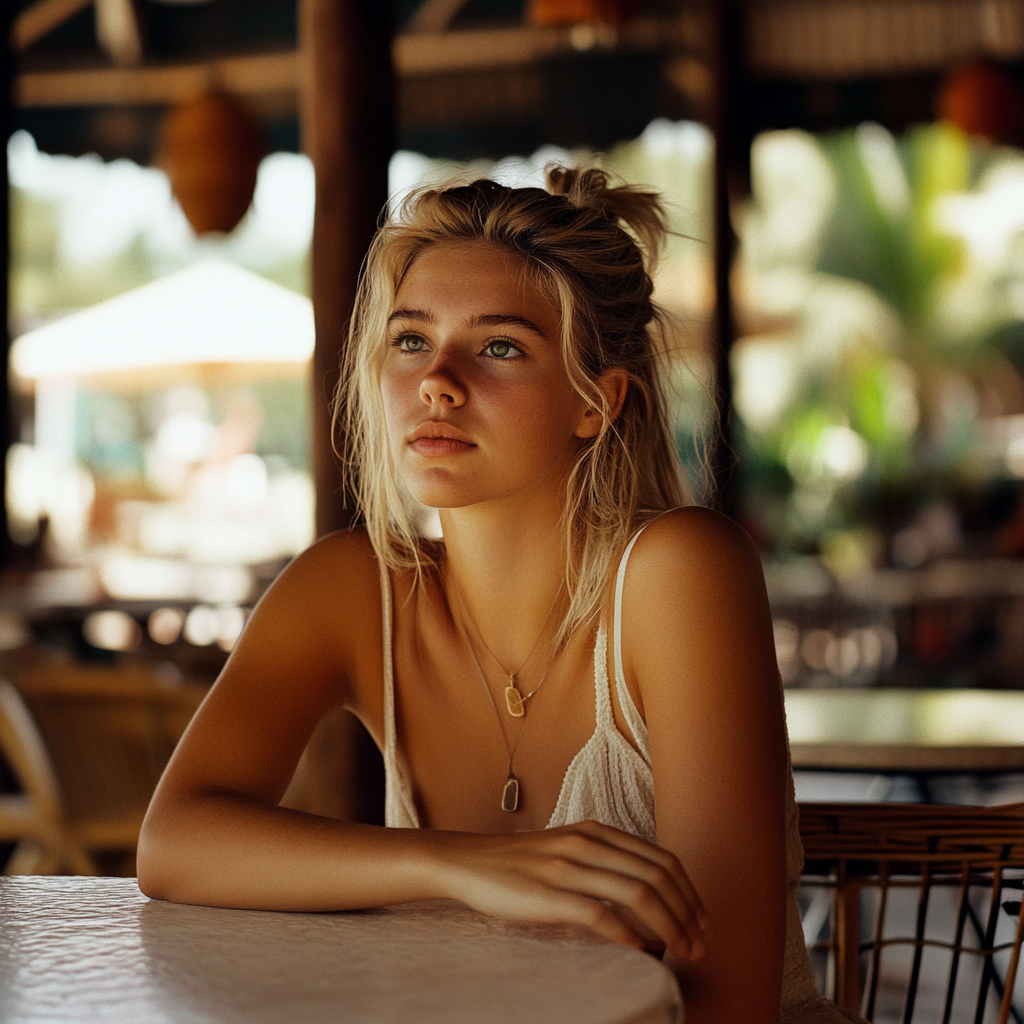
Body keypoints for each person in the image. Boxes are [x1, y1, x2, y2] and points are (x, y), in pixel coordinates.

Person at [138, 168, 863, 1024]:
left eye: (500, 347)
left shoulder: (679, 572)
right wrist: (457, 865)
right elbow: (173, 842)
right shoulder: (350, 588)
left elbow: (726, 1001)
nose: (437, 381)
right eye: (410, 340)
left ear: (599, 400)